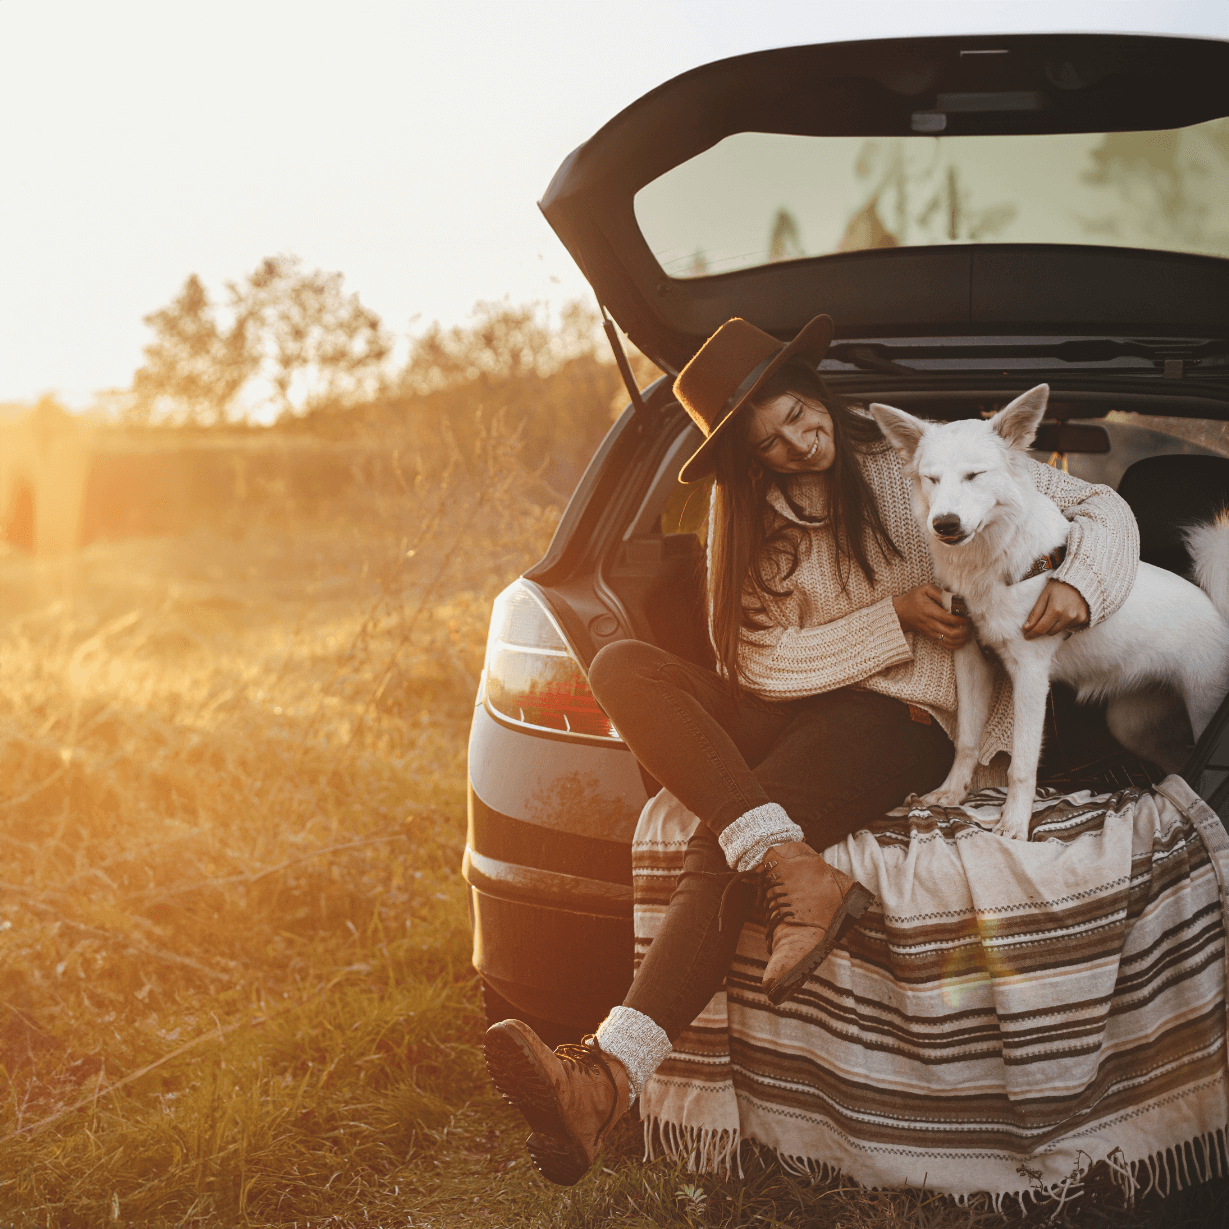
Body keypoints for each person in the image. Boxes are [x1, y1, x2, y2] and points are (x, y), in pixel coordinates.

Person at [483, 314, 1140, 1187]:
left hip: (896, 719)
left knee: (716, 844)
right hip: (791, 711)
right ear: (748, 458)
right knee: (621, 662)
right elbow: (757, 660)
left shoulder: (917, 468)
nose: (799, 442)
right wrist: (889, 617)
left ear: (815, 391)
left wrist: (1076, 584)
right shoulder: (751, 524)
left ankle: (604, 1080)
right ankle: (795, 865)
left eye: (799, 413)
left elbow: (1105, 507)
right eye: (771, 442)